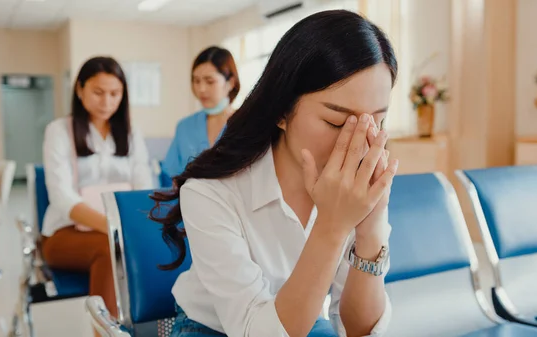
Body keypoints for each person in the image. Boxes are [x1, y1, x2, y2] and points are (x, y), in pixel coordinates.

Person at [152, 10, 398, 337]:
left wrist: (371, 232)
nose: (359, 143)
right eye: (337, 122)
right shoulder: (210, 192)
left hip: (304, 317)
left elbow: (359, 330)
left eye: (377, 121)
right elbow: (256, 331)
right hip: (212, 328)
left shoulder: (355, 189)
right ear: (281, 111)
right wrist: (332, 225)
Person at [41, 56, 153, 318]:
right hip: (64, 232)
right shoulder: (58, 131)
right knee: (108, 248)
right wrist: (113, 228)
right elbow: (61, 197)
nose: (107, 102)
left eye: (115, 94)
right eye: (98, 92)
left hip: (120, 230)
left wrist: (127, 230)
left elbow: (143, 186)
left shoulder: (131, 132)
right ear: (80, 89)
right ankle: (107, 331)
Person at [160, 46, 240, 186]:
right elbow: (172, 176)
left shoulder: (246, 124)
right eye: (196, 81)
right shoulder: (185, 127)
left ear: (230, 83)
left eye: (210, 81)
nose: (201, 89)